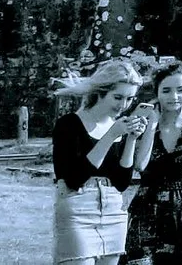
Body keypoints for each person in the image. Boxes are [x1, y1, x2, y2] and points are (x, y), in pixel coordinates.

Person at [54, 59, 150, 265]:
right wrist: (110, 135)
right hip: (78, 209)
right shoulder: (68, 125)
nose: (124, 105)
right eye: (118, 97)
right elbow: (74, 178)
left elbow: (122, 182)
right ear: (100, 92)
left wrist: (131, 138)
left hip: (113, 210)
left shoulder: (120, 127)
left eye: (130, 99)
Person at [123, 58, 182, 265]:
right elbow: (140, 165)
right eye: (166, 91)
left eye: (181, 90)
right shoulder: (144, 123)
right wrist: (152, 124)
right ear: (157, 92)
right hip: (146, 210)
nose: (174, 97)